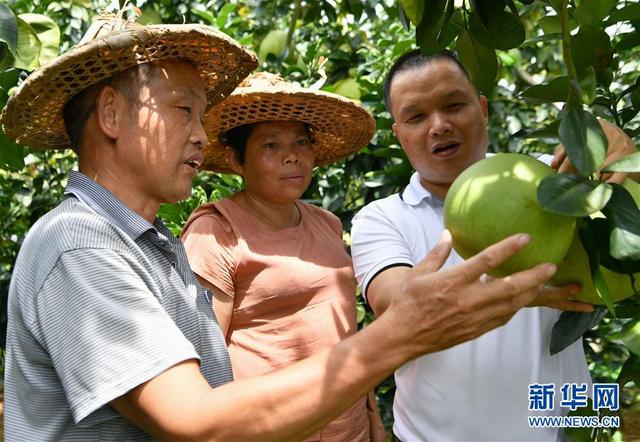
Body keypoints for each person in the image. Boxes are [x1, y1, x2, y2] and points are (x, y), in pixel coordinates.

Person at [1, 15, 578, 440]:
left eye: (203, 116)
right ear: (110, 115)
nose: (202, 135)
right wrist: (404, 331)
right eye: (184, 110)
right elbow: (196, 422)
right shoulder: (79, 243)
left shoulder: (152, 248)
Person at [350, 49, 638, 441]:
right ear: (399, 133)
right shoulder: (382, 218)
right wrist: (509, 291)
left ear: (482, 109)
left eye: (454, 105)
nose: (439, 125)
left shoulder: (556, 181)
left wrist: (623, 155)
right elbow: (398, 304)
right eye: (416, 116)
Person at [179, 72, 384, 441]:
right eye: (270, 146)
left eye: (301, 142)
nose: (292, 157)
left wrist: (372, 420)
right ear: (236, 159)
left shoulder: (327, 224)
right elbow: (203, 362)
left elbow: (344, 330)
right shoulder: (217, 232)